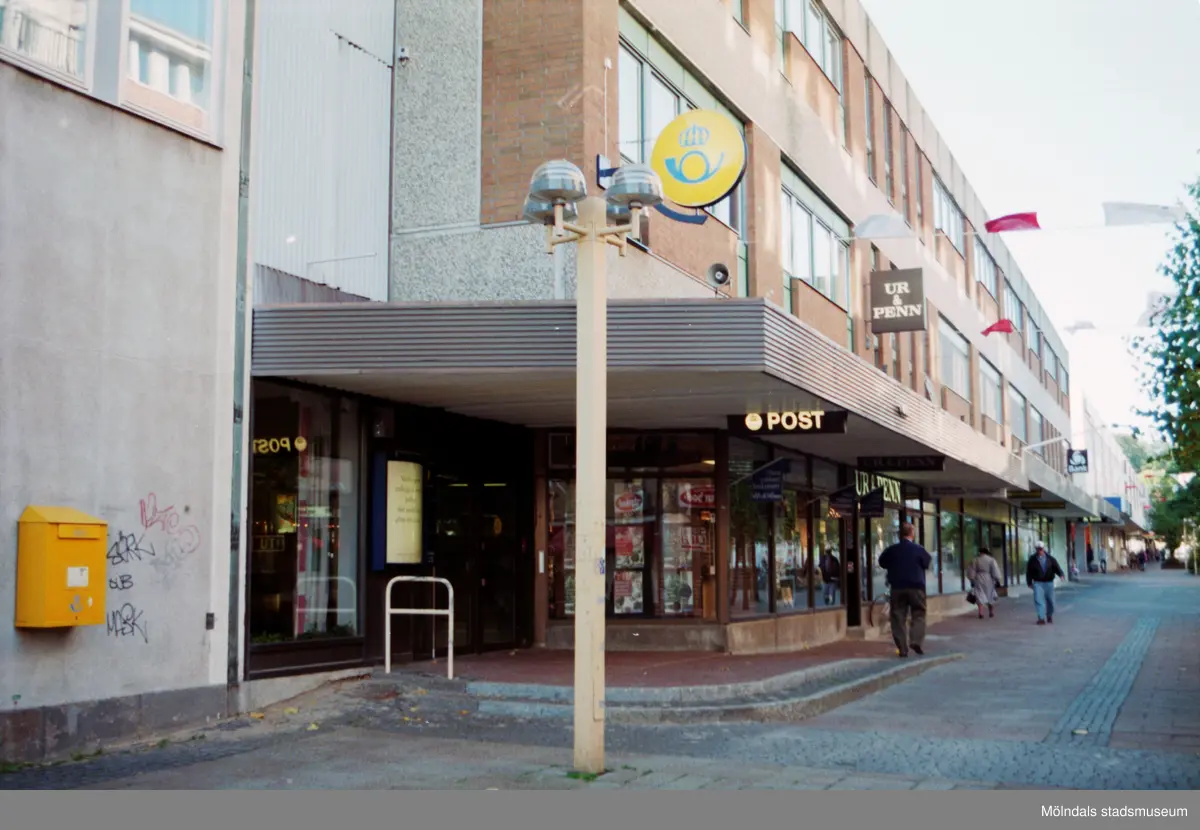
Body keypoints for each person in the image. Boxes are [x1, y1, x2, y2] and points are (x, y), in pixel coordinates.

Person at [878, 522, 932, 657]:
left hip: (897, 587)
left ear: (899, 534)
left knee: (897, 617)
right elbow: (927, 563)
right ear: (912, 533)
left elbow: (882, 562)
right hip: (916, 587)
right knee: (918, 614)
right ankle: (916, 641)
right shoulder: (919, 549)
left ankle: (902, 648)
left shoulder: (892, 550)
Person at [1025, 540, 1064, 625]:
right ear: (1036, 549)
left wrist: (1061, 574)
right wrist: (1029, 582)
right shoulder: (1032, 560)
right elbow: (1029, 572)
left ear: (1043, 548)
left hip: (1049, 583)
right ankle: (1041, 618)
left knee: (1051, 601)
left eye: (1041, 549)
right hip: (1038, 583)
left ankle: (1049, 615)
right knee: (1039, 601)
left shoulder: (1050, 559)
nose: (1040, 551)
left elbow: (1056, 567)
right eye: (1038, 549)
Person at [966, 547, 1003, 619]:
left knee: (980, 596)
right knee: (990, 595)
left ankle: (981, 613)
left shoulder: (975, 560)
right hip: (989, 579)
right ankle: (991, 612)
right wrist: (997, 579)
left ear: (980, 552)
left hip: (978, 579)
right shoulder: (991, 560)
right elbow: (995, 570)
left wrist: (972, 579)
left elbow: (971, 571)